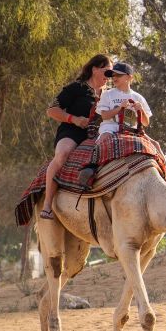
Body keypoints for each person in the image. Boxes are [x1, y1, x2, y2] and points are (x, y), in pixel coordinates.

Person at [79, 61, 166, 187]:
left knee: (155, 144)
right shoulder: (108, 94)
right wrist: (119, 107)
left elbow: (146, 123)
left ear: (129, 77)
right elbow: (104, 116)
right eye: (112, 75)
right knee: (103, 138)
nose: (114, 78)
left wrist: (140, 110)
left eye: (118, 75)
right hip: (110, 128)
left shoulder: (138, 97)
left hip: (133, 131)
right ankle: (89, 170)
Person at [41, 54, 111, 219]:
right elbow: (52, 110)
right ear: (94, 69)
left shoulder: (109, 94)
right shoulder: (76, 88)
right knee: (63, 154)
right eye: (107, 71)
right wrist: (74, 119)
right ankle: (47, 204)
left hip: (98, 135)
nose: (109, 76)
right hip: (72, 131)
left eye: (111, 73)